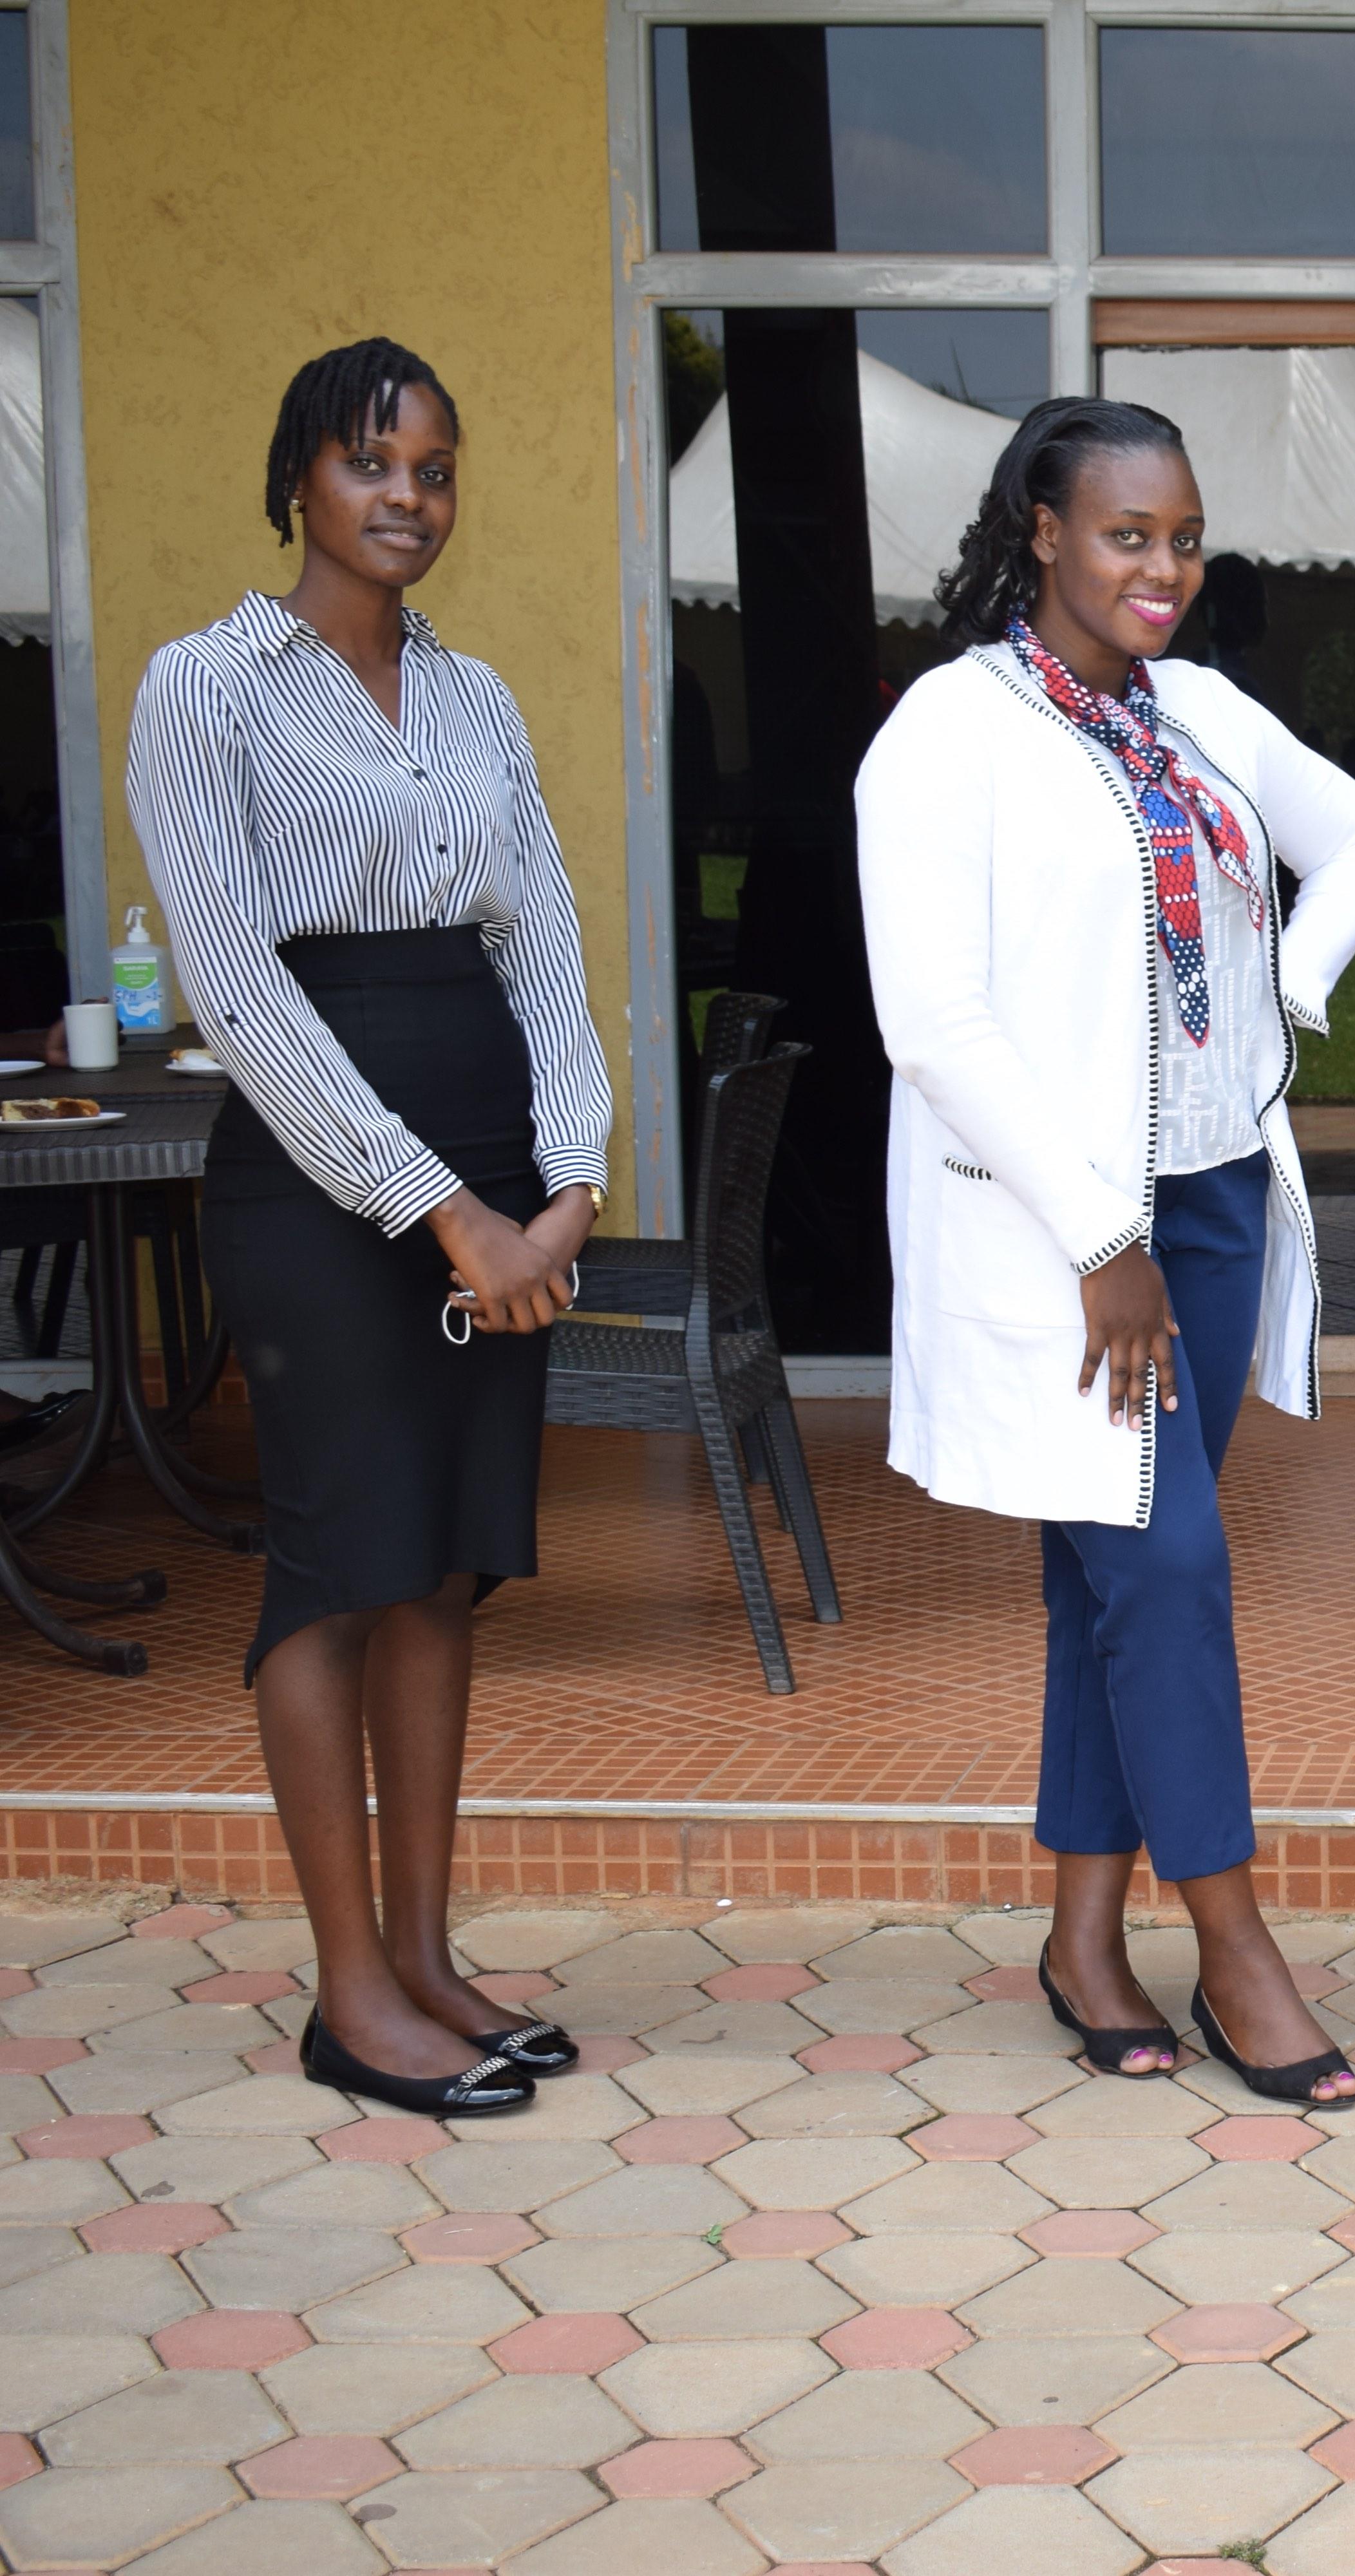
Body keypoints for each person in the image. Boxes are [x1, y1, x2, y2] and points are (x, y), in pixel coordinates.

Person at [857, 397, 1355, 2107]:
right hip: (1067, 1228)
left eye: (1182, 536)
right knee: (1161, 1572)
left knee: (1109, 1574)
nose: (1162, 568)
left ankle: (1083, 1941)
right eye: (1124, 534)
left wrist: (1282, 1002)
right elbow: (931, 1019)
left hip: (1223, 1206)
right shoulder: (947, 733)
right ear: (1040, 529)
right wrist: (1104, 1235)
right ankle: (1234, 1947)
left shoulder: (1206, 711)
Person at [129, 339, 613, 2119]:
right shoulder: (206, 687)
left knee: (447, 1568)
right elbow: (235, 987)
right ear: (297, 483)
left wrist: (569, 1179)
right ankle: (347, 1999)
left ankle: (425, 1957)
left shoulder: (476, 698)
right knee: (342, 1566)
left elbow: (544, 934)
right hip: (323, 1184)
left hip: (496, 1158)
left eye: (434, 470)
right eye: (369, 465)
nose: (406, 499)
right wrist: (447, 1213)